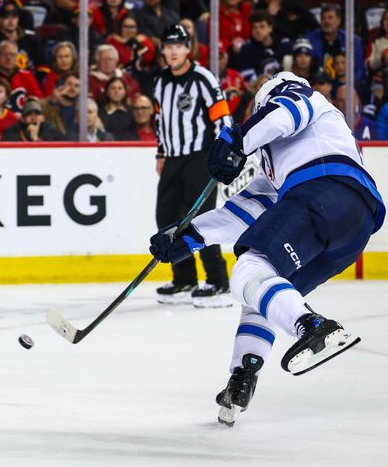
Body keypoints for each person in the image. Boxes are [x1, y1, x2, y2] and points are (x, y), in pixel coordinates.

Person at [149, 71, 384, 425]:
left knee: (249, 267)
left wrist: (239, 140)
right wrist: (188, 236)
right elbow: (246, 209)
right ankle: (243, 374)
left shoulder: (300, 98)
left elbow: (284, 114)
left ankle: (313, 325)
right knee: (263, 291)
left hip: (325, 191)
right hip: (353, 229)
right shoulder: (281, 162)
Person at [152, 24, 233, 307]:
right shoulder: (161, 81)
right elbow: (160, 120)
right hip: (173, 159)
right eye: (168, 45)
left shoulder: (202, 78)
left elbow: (223, 118)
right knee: (166, 219)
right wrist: (161, 152)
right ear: (162, 50)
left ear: (188, 48)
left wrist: (223, 157)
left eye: (178, 45)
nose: (173, 51)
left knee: (199, 221)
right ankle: (184, 278)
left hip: (200, 158)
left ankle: (218, 282)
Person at [0, 40, 43, 115]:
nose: (8, 58)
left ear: (17, 58)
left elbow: (38, 100)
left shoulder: (27, 76)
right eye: (5, 54)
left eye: (12, 55)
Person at [0, 1, 44, 73]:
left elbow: (42, 64)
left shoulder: (31, 39)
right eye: (7, 18)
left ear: (18, 19)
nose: (11, 22)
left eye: (14, 17)